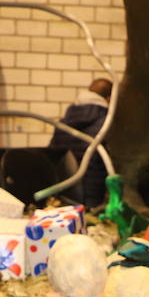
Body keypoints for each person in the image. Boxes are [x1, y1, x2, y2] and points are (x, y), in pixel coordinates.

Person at [47, 77, 112, 208]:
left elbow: (52, 155)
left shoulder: (63, 122)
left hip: (65, 195)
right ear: (109, 98)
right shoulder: (107, 124)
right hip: (94, 198)